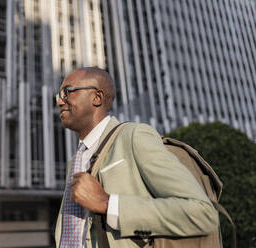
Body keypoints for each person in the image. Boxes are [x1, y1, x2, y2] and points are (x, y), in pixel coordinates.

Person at [54, 67, 219, 248]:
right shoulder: (74, 161)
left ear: (97, 98)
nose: (59, 102)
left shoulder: (133, 136)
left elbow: (202, 213)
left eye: (67, 92)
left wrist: (107, 203)